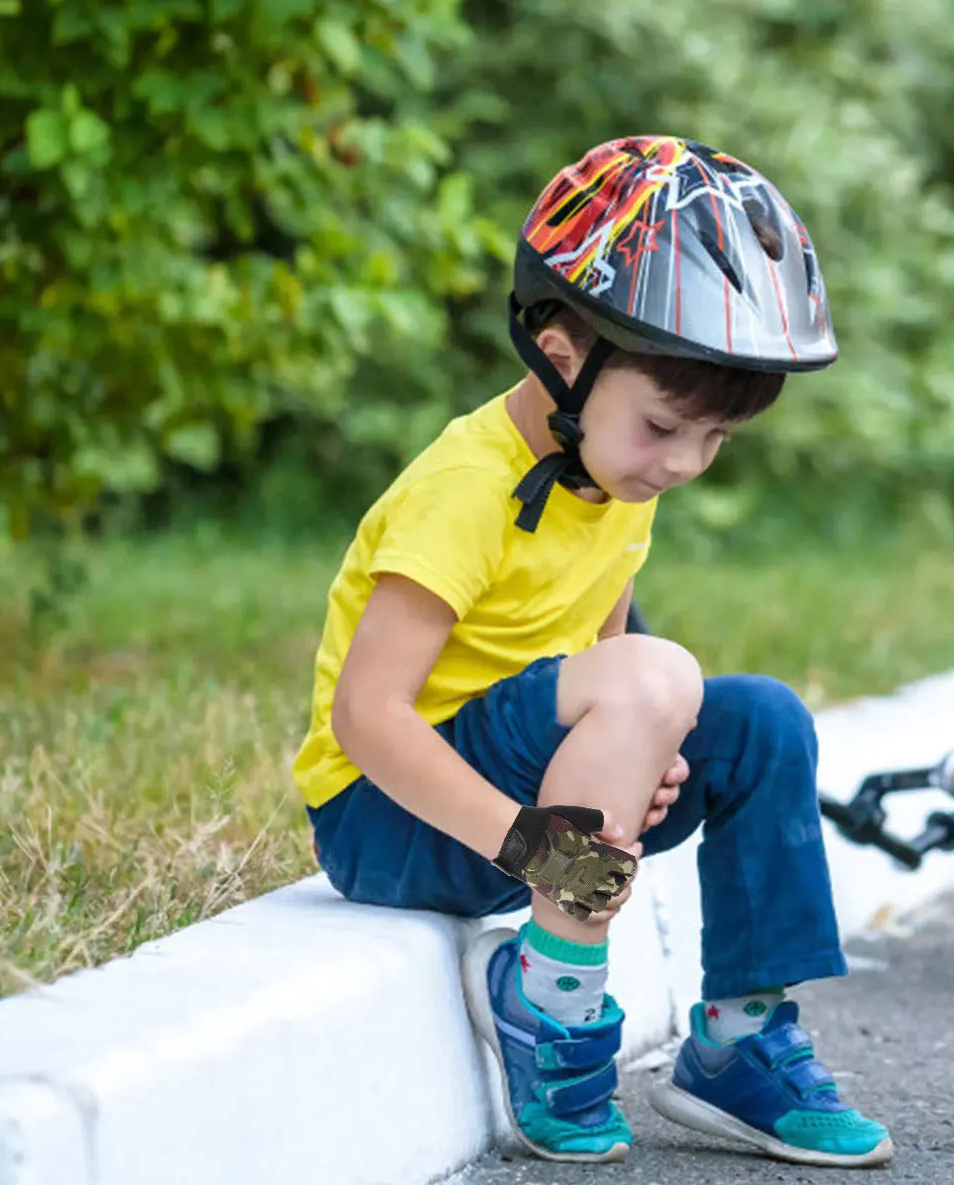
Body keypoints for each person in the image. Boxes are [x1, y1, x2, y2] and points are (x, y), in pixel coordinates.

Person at [291, 135, 893, 1169]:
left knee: (763, 723)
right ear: (565, 354)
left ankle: (738, 1043)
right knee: (663, 672)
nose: (685, 465)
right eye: (665, 427)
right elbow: (368, 717)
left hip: (539, 810)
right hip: (391, 821)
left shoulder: (609, 478)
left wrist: (646, 759)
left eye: (713, 442)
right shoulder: (465, 488)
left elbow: (600, 651)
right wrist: (539, 848)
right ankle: (551, 1004)